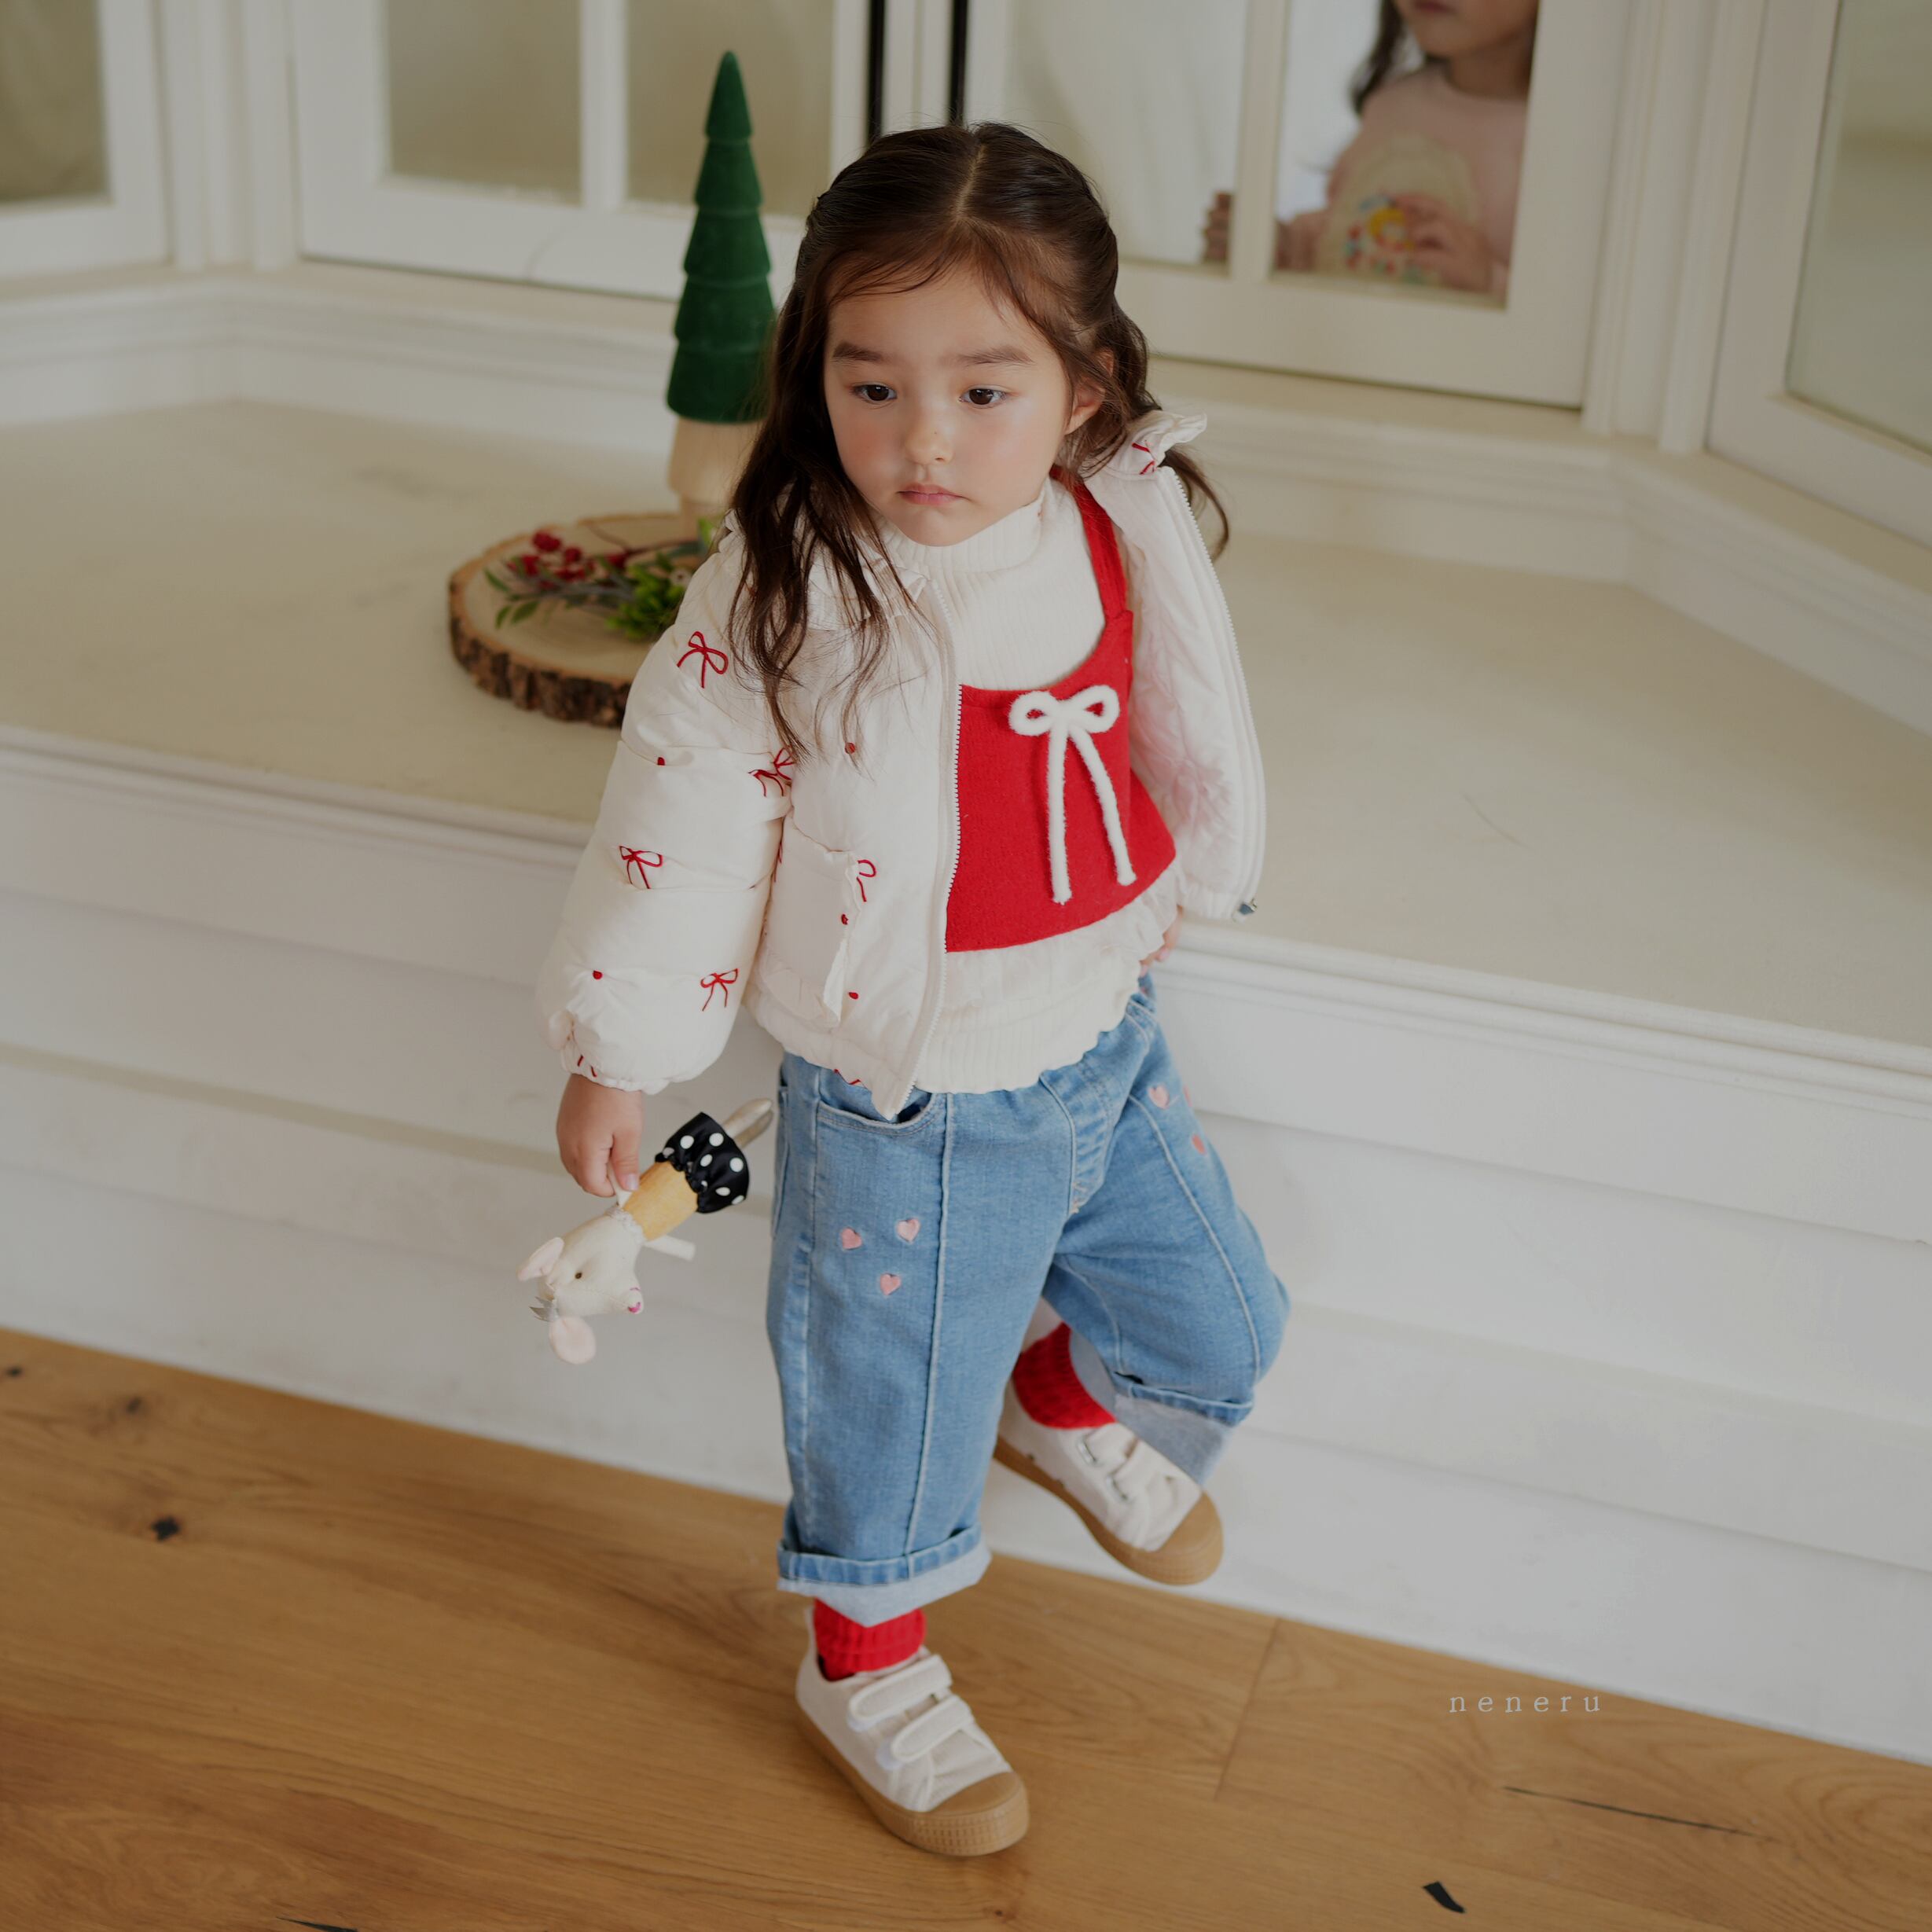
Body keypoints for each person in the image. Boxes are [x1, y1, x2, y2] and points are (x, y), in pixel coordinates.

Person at [535, 119, 1289, 1858]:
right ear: (816, 373)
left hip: (1101, 1037)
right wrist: (621, 1054)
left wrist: (1173, 872)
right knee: (889, 1417)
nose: (921, 441)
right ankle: (861, 1660)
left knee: (1224, 1322)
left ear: (1083, 388)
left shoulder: (1116, 516)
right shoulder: (789, 585)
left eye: (980, 391)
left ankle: (1061, 1406)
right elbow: (680, 815)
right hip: (907, 1100)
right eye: (870, 387)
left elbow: (1172, 707)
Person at [1203, 0, 1537, 298]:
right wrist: (1286, 248)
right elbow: (1345, 236)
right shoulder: (1391, 106)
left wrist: (1490, 283)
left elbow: (1558, 318)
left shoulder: (1552, 143)